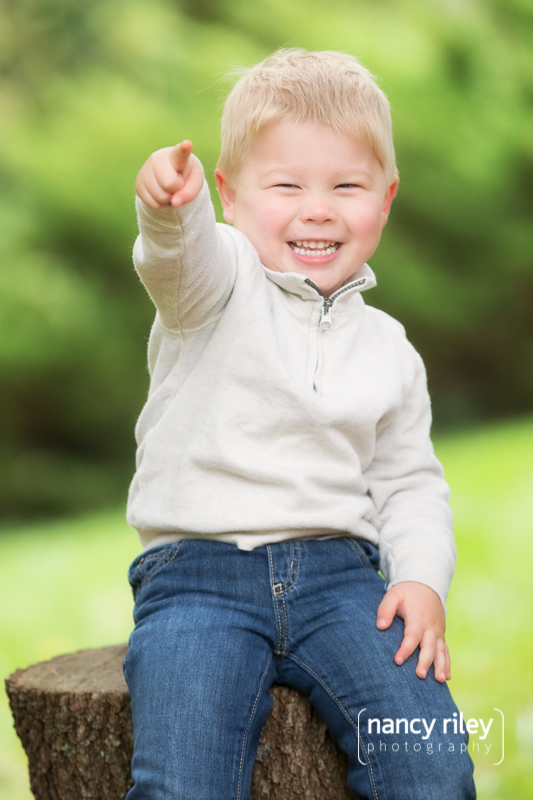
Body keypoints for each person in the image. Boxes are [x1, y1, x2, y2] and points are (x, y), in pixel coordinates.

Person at [123, 48, 477, 799]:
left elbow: (410, 481)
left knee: (430, 764)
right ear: (229, 194)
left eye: (346, 185)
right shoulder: (216, 287)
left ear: (385, 197)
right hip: (197, 578)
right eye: (285, 185)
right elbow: (175, 261)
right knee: (181, 781)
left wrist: (419, 579)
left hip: (343, 582)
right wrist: (167, 210)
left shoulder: (388, 349)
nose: (317, 208)